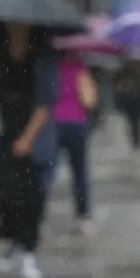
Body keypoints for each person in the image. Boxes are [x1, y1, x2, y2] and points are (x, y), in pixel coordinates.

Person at [0, 23, 57, 278]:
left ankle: (28, 251)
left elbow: (46, 101)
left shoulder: (41, 54)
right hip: (5, 128)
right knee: (3, 189)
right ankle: (15, 242)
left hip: (35, 130)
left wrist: (27, 138)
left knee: (31, 194)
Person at [46, 51, 99, 235]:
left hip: (52, 124)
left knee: (47, 171)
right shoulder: (79, 66)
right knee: (80, 172)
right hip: (76, 123)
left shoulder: (47, 65)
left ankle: (37, 214)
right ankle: (84, 216)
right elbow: (89, 100)